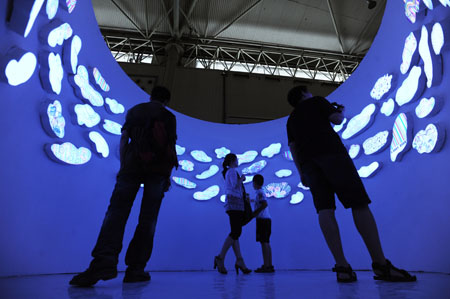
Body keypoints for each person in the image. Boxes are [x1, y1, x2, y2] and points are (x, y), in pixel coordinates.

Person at [286, 85, 416, 283]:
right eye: (308, 92)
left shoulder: (291, 120)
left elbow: (293, 148)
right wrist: (340, 110)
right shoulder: (318, 101)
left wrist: (301, 173)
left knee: (324, 210)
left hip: (309, 165)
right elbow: (337, 120)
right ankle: (381, 264)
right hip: (332, 155)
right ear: (305, 94)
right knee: (358, 203)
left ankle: (342, 267)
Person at [70, 86, 178, 286]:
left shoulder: (136, 111)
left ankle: (103, 263)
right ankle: (136, 269)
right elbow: (170, 148)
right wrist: (167, 177)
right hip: (157, 173)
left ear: (150, 96)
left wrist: (123, 166)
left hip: (131, 167)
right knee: (148, 221)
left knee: (116, 215)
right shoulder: (169, 117)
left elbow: (123, 139)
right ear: (167, 101)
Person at [214, 153, 251, 275]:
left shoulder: (229, 172)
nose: (238, 161)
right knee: (236, 232)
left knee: (235, 232)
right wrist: (242, 179)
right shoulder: (232, 171)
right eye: (236, 159)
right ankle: (220, 257)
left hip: (234, 203)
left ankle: (240, 260)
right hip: (235, 203)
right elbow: (235, 185)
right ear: (232, 161)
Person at [251, 174, 274, 273]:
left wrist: (255, 213)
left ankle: (266, 265)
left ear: (255, 183)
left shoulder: (259, 193)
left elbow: (264, 204)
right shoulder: (260, 192)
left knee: (264, 242)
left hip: (262, 220)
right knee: (266, 242)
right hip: (266, 219)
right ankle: (269, 265)